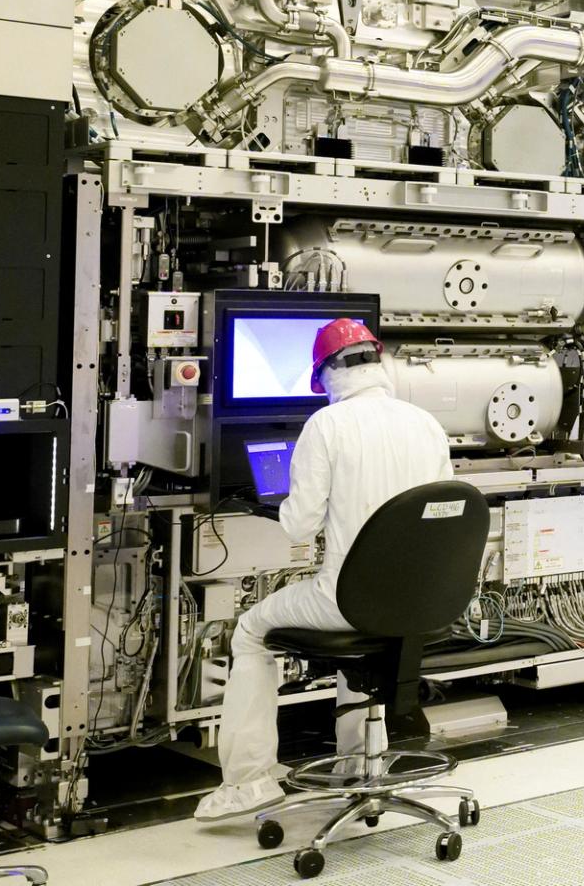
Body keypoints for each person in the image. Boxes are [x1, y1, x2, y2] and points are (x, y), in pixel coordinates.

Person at [195, 318, 453, 822]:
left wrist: (278, 506)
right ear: (377, 362)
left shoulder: (326, 425)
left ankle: (248, 782)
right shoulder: (425, 423)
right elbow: (440, 512)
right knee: (368, 635)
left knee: (249, 631)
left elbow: (299, 527)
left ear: (326, 375)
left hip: (348, 602)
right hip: (422, 602)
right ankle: (360, 765)